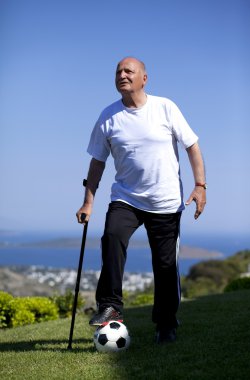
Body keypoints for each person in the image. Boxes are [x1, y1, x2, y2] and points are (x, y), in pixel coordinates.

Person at [76, 57, 206, 344]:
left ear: (144, 78)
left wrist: (200, 185)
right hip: (126, 198)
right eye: (118, 71)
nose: (122, 75)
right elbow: (97, 163)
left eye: (128, 71)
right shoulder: (108, 116)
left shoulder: (165, 108)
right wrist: (88, 202)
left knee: (165, 265)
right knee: (111, 237)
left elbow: (192, 146)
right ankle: (110, 307)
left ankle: (166, 323)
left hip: (165, 202)